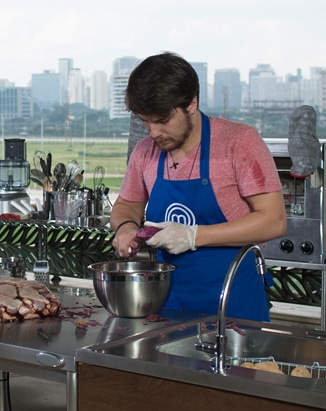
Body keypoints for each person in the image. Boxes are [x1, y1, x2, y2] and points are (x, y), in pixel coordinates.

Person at [109, 52, 287, 321]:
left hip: (231, 300)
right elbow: (127, 205)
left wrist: (193, 235)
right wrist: (126, 228)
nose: (153, 132)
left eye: (163, 120)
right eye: (145, 121)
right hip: (165, 301)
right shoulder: (146, 151)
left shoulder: (239, 142)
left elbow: (273, 221)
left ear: (192, 102)